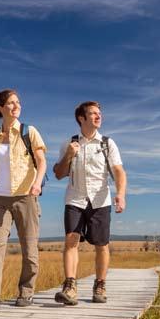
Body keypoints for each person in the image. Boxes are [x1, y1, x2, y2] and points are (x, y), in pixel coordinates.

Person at [0, 89, 47, 310]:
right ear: (0, 108)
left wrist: (37, 183)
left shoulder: (29, 131)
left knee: (29, 247)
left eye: (18, 102)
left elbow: (42, 161)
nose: (16, 106)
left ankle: (26, 292)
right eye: (11, 103)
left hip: (26, 196)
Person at [53, 101, 126, 305]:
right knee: (71, 240)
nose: (98, 116)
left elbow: (119, 171)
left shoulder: (107, 144)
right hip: (75, 198)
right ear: (81, 118)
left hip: (100, 200)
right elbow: (59, 174)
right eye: (93, 113)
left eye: (99, 113)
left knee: (102, 245)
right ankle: (70, 286)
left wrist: (121, 193)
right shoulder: (69, 143)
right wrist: (68, 155)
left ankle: (100, 285)